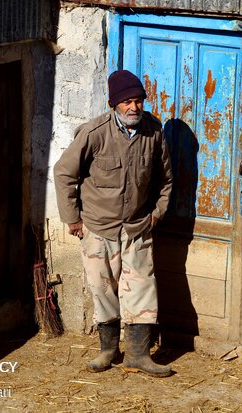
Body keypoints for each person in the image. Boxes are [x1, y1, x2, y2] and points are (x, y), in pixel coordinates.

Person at [54, 69, 174, 377]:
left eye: (138, 101)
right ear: (113, 104)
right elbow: (64, 174)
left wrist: (157, 213)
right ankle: (108, 350)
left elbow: (166, 180)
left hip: (137, 228)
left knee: (142, 290)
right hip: (99, 229)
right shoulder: (94, 134)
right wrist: (73, 219)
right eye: (127, 102)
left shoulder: (153, 133)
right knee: (103, 289)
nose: (134, 107)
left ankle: (138, 354)